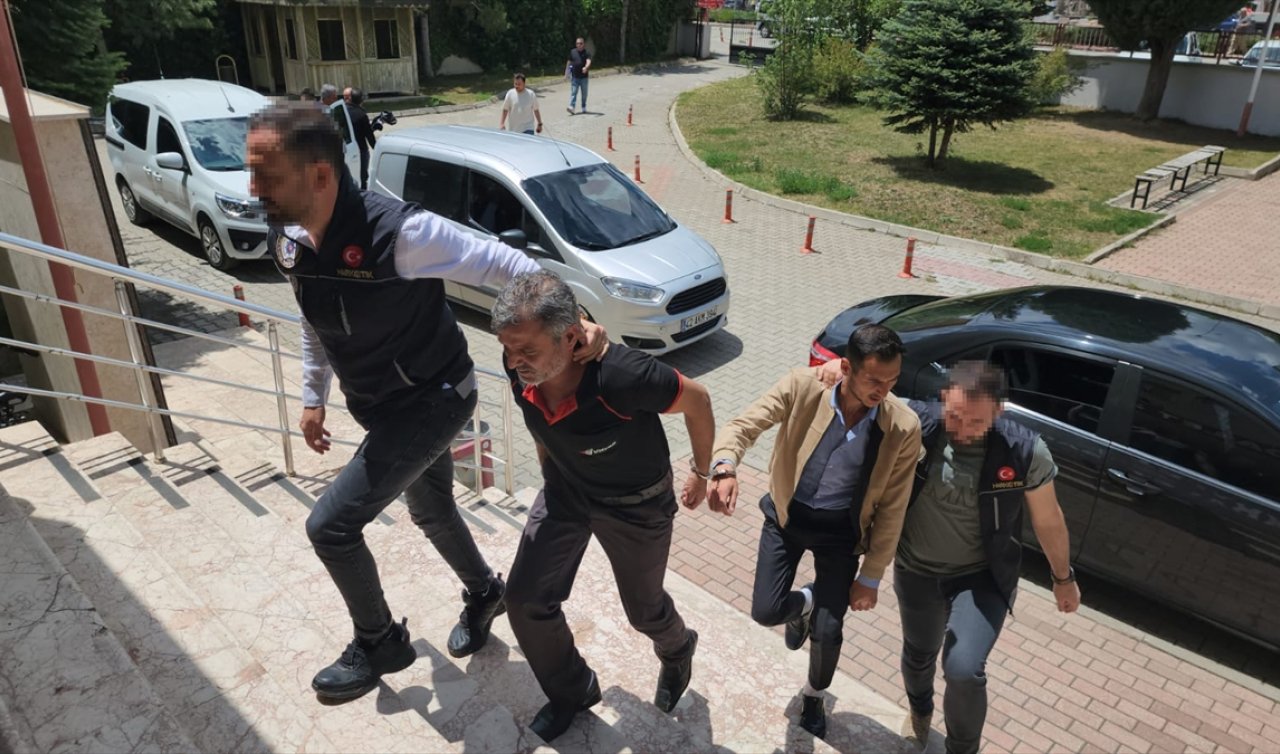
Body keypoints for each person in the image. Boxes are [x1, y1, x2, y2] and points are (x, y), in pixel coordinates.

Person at [245, 103, 607, 702]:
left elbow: (511, 265)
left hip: (435, 398)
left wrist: (574, 324)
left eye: (267, 175)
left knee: (331, 526)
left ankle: (379, 640)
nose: (253, 189)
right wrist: (313, 396)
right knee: (432, 511)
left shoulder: (402, 234)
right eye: (252, 172)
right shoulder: (288, 234)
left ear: (320, 175)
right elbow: (313, 315)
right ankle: (485, 593)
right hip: (380, 404)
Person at [494, 271, 716, 743]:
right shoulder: (521, 366)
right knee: (525, 600)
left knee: (644, 612)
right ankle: (572, 691)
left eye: (527, 350)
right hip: (566, 492)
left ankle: (678, 648)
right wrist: (550, 475)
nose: (514, 362)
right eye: (508, 349)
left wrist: (701, 472)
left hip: (637, 506)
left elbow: (698, 401)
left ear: (570, 336)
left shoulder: (624, 375)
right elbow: (541, 423)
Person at [707, 324, 922, 739]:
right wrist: (724, 467)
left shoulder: (902, 427)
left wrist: (871, 576)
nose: (883, 390)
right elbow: (744, 425)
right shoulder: (803, 386)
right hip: (788, 518)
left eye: (892, 381)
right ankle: (806, 601)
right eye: (874, 380)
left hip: (841, 532)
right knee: (766, 611)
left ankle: (814, 695)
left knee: (828, 630)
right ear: (846, 368)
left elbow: (894, 507)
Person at [891, 360, 1081, 753]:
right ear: (944, 397)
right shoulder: (916, 422)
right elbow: (866, 397)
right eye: (954, 415)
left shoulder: (1023, 450)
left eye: (975, 422)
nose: (961, 429)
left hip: (981, 577)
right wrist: (835, 371)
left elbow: (1049, 520)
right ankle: (920, 711)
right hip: (917, 568)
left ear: (998, 412)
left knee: (963, 669)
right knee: (919, 654)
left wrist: (1063, 579)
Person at [347, 87, 377, 190]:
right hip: (361, 150)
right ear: (361, 100)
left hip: (347, 148)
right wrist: (376, 148)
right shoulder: (361, 114)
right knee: (363, 177)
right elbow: (369, 135)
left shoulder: (344, 112)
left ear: (350, 98)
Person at [566, 37, 591, 115]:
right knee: (574, 92)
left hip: (584, 78)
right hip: (575, 77)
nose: (579, 45)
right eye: (577, 43)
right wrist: (567, 72)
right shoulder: (572, 52)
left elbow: (588, 61)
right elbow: (569, 62)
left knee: (584, 94)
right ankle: (572, 107)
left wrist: (586, 67)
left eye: (580, 43)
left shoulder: (586, 53)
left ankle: (583, 106)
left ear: (583, 44)